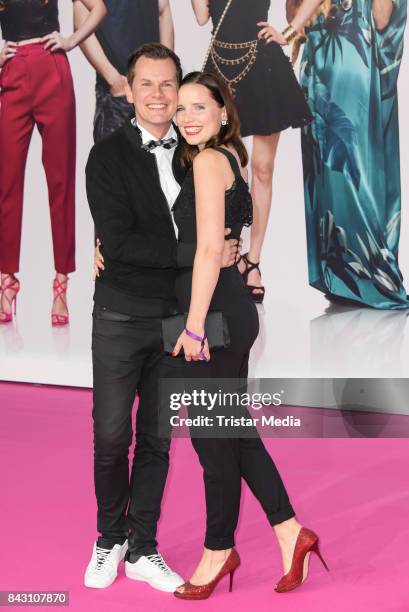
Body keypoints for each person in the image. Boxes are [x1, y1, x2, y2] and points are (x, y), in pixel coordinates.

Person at [85, 43, 241, 591]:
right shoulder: (107, 156)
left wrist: (233, 243)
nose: (157, 95)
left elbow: (228, 208)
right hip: (122, 316)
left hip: (177, 318)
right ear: (128, 90)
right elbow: (122, 244)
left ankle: (143, 547)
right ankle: (110, 537)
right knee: (110, 436)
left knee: (156, 439)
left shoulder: (195, 152)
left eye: (167, 85)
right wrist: (198, 253)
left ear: (180, 91)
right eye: (146, 84)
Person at [169, 71, 326, 600]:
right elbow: (220, 244)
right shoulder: (225, 158)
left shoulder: (210, 162)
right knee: (232, 431)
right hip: (226, 309)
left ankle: (218, 551)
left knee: (213, 440)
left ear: (221, 111)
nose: (187, 116)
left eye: (199, 107)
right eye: (181, 108)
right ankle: (289, 532)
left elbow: (210, 251)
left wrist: (193, 326)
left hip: (212, 316)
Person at [284, 0, 408, 309]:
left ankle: (368, 274)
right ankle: (344, 275)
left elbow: (382, 22)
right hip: (325, 72)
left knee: (353, 169)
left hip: (349, 73)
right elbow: (295, 14)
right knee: (333, 170)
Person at [191, 0, 312, 303]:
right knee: (225, 170)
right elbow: (202, 17)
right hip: (221, 64)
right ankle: (227, 255)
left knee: (262, 167)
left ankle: (253, 261)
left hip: (261, 64)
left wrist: (290, 31)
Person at [0, 0, 106, 324]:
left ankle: (61, 283)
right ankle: (7, 279)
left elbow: (98, 8)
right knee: (6, 182)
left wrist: (72, 40)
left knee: (61, 181)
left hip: (52, 69)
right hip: (13, 72)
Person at [74, 0, 175, 143]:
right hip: (118, 94)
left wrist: (166, 73)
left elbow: (163, 11)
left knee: (158, 160)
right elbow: (81, 21)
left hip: (153, 89)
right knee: (114, 160)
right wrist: (113, 79)